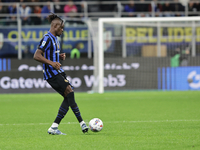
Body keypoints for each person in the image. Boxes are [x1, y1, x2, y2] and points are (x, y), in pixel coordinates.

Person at [33, 13, 88, 135]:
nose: (62, 30)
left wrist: (59, 56)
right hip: (51, 73)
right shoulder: (47, 38)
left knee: (69, 96)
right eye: (61, 28)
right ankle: (81, 123)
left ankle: (56, 127)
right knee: (70, 92)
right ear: (55, 26)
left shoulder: (55, 39)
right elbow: (37, 55)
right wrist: (52, 63)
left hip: (58, 71)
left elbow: (51, 54)